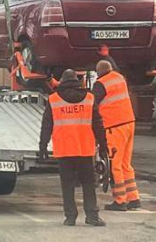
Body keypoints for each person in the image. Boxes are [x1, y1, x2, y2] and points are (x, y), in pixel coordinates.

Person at [39, 69, 107, 226]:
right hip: (84, 149)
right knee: (88, 183)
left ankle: (70, 216)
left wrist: (43, 146)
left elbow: (46, 125)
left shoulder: (54, 99)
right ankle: (92, 216)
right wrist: (103, 146)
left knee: (67, 184)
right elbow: (98, 125)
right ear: (78, 80)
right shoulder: (89, 98)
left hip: (64, 149)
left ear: (62, 81)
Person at [93, 60, 140, 211]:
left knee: (115, 165)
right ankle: (134, 198)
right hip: (129, 123)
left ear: (99, 72)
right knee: (126, 163)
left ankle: (120, 200)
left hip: (114, 126)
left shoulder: (100, 83)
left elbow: (92, 102)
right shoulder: (119, 77)